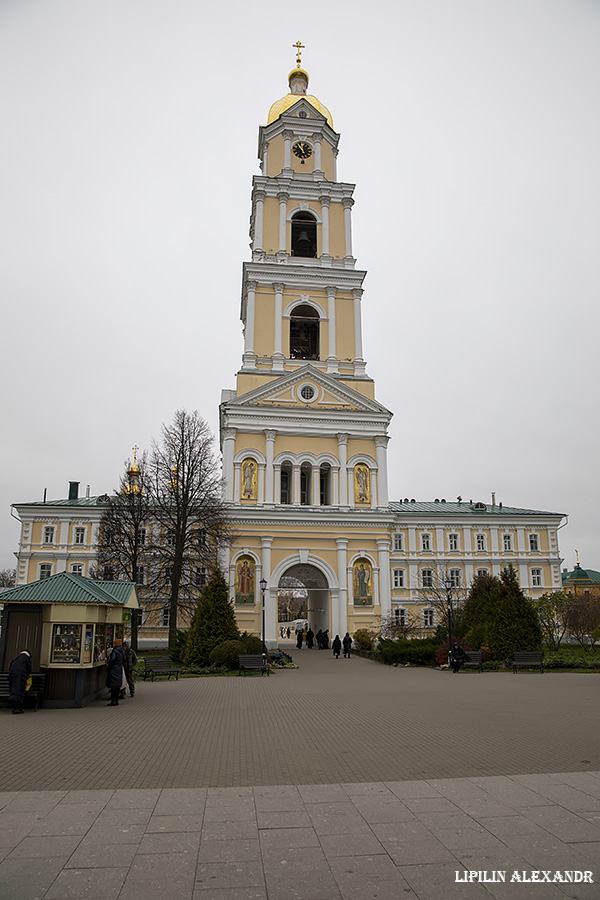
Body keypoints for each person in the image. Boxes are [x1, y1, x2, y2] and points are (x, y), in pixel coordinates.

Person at [8, 650, 32, 714]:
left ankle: (14, 706)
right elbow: (29, 669)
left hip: (12, 676)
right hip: (20, 676)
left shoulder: (16, 657)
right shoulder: (26, 658)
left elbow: (10, 667)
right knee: (19, 690)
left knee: (14, 689)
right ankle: (17, 708)